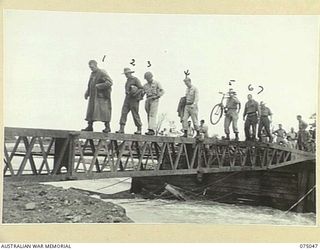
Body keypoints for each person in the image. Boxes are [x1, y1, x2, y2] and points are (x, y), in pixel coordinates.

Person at [82, 60, 113, 133]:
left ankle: (107, 127)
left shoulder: (102, 72)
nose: (91, 68)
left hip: (101, 97)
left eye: (92, 67)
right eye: (90, 67)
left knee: (104, 112)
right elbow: (90, 84)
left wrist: (99, 86)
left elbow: (110, 82)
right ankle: (90, 126)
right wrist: (87, 92)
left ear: (96, 65)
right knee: (91, 111)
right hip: (93, 96)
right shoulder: (92, 74)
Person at [116, 68, 144, 134]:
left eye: (127, 74)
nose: (126, 75)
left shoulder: (135, 79)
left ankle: (139, 129)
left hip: (134, 99)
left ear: (130, 73)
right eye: (125, 74)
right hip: (127, 98)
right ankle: (121, 129)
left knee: (135, 113)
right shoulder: (127, 81)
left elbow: (141, 88)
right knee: (124, 112)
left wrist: (135, 93)